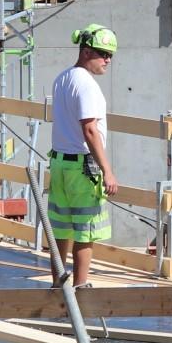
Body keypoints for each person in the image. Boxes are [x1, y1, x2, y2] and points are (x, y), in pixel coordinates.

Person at [49, 24, 120, 288]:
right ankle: (80, 288)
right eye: (103, 54)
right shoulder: (86, 85)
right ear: (87, 51)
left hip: (59, 163)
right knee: (84, 229)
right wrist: (107, 171)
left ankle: (58, 286)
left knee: (61, 229)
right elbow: (90, 129)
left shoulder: (63, 78)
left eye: (111, 55)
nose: (108, 60)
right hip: (82, 168)